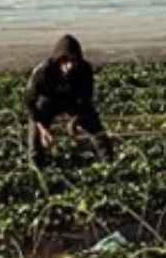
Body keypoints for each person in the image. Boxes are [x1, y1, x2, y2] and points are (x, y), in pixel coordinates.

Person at [23, 34, 114, 167]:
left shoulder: (85, 70)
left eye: (74, 61)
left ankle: (108, 163)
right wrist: (42, 129)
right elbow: (29, 101)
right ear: (58, 60)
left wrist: (76, 119)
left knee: (97, 132)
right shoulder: (43, 72)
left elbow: (86, 98)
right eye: (65, 61)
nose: (70, 65)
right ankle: (37, 168)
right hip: (47, 101)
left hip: (73, 101)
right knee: (35, 141)